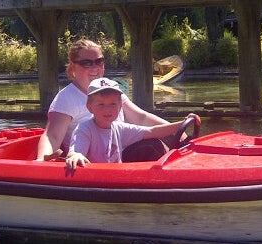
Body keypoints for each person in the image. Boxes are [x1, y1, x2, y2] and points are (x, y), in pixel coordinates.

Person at [36, 39, 182, 162]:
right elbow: (52, 136)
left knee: (162, 142)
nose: (95, 67)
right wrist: (41, 160)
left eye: (99, 61)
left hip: (120, 156)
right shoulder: (66, 98)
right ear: (73, 66)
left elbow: (141, 118)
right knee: (152, 146)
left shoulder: (110, 90)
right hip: (89, 163)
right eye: (87, 63)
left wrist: (181, 132)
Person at [64, 78, 200, 168]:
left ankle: (168, 174)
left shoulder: (119, 127)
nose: (107, 109)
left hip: (118, 175)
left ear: (120, 106)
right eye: (101, 104)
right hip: (97, 179)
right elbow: (75, 151)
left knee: (153, 144)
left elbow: (151, 131)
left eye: (113, 104)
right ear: (90, 107)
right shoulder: (84, 129)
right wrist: (76, 155)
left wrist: (181, 124)